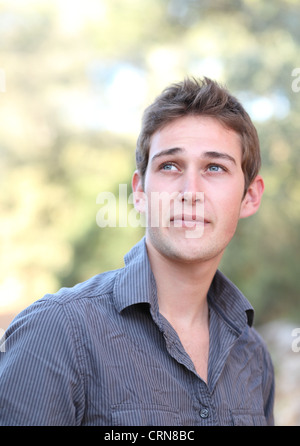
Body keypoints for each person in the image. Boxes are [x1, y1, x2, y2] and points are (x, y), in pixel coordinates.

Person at [0, 77, 274, 426]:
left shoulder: (253, 356)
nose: (190, 191)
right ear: (141, 192)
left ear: (250, 196)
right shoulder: (57, 332)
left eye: (214, 167)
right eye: (169, 165)